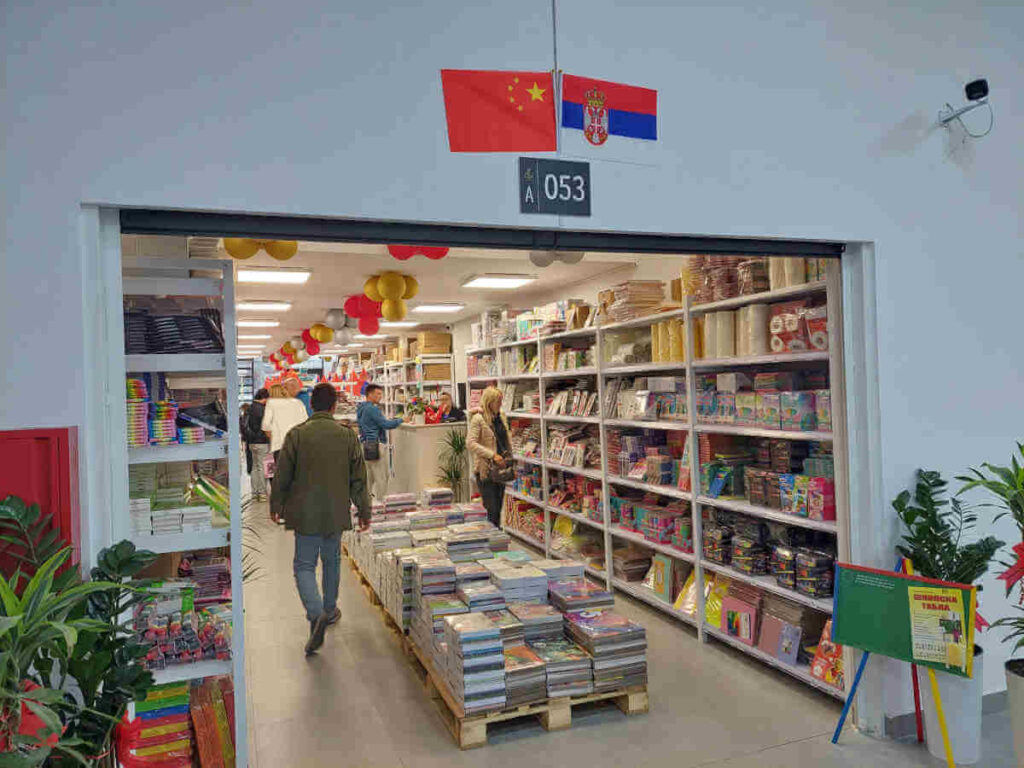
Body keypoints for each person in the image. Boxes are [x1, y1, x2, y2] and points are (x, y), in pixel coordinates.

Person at [273, 383, 371, 655]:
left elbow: (283, 474)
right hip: (335, 510)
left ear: (311, 405)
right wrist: (364, 510)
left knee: (304, 565)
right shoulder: (347, 435)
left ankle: (316, 614)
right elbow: (359, 478)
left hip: (304, 512)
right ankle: (329, 608)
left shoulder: (296, 435)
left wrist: (277, 503)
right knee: (332, 560)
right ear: (334, 406)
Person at [262, 383, 309, 523]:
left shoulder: (272, 403)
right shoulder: (298, 403)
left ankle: (283, 514)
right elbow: (306, 423)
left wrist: (273, 435)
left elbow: (265, 425)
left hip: (280, 446)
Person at [467, 386, 511, 527]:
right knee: (491, 510)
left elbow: (504, 437)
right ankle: (492, 541)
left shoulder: (501, 416)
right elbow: (470, 443)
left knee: (498, 509)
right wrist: (492, 455)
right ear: (489, 402)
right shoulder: (478, 419)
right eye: (498, 401)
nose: (500, 404)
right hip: (486, 470)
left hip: (501, 469)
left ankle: (497, 541)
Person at [356, 384, 403, 504]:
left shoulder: (361, 408)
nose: (380, 396)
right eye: (377, 394)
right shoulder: (372, 408)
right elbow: (386, 424)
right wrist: (401, 420)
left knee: (369, 478)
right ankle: (382, 504)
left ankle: (365, 503)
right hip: (375, 445)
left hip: (365, 445)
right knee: (381, 477)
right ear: (370, 394)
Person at [245, 388, 271, 501]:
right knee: (262, 467)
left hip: (251, 442)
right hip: (262, 442)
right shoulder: (263, 410)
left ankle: (254, 492)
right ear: (264, 398)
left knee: (255, 467)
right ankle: (262, 493)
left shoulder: (249, 408)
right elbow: (266, 426)